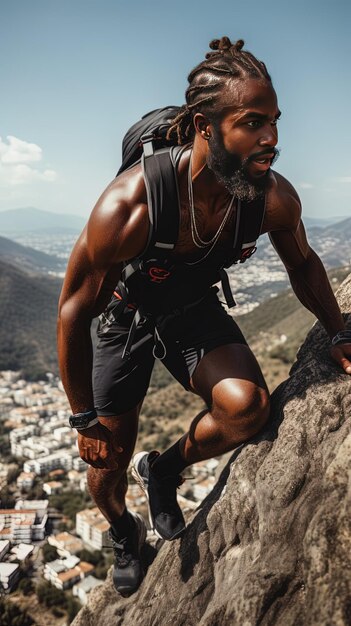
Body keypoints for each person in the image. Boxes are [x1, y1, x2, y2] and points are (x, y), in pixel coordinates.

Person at [57, 36, 351, 596]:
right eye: (253, 123)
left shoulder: (270, 198)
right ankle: (124, 528)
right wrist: (82, 419)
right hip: (127, 316)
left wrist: (338, 331)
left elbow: (305, 264)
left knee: (249, 410)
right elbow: (73, 311)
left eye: (275, 121)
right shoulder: (131, 206)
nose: (272, 138)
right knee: (107, 461)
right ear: (204, 126)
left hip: (192, 308)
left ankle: (163, 471)